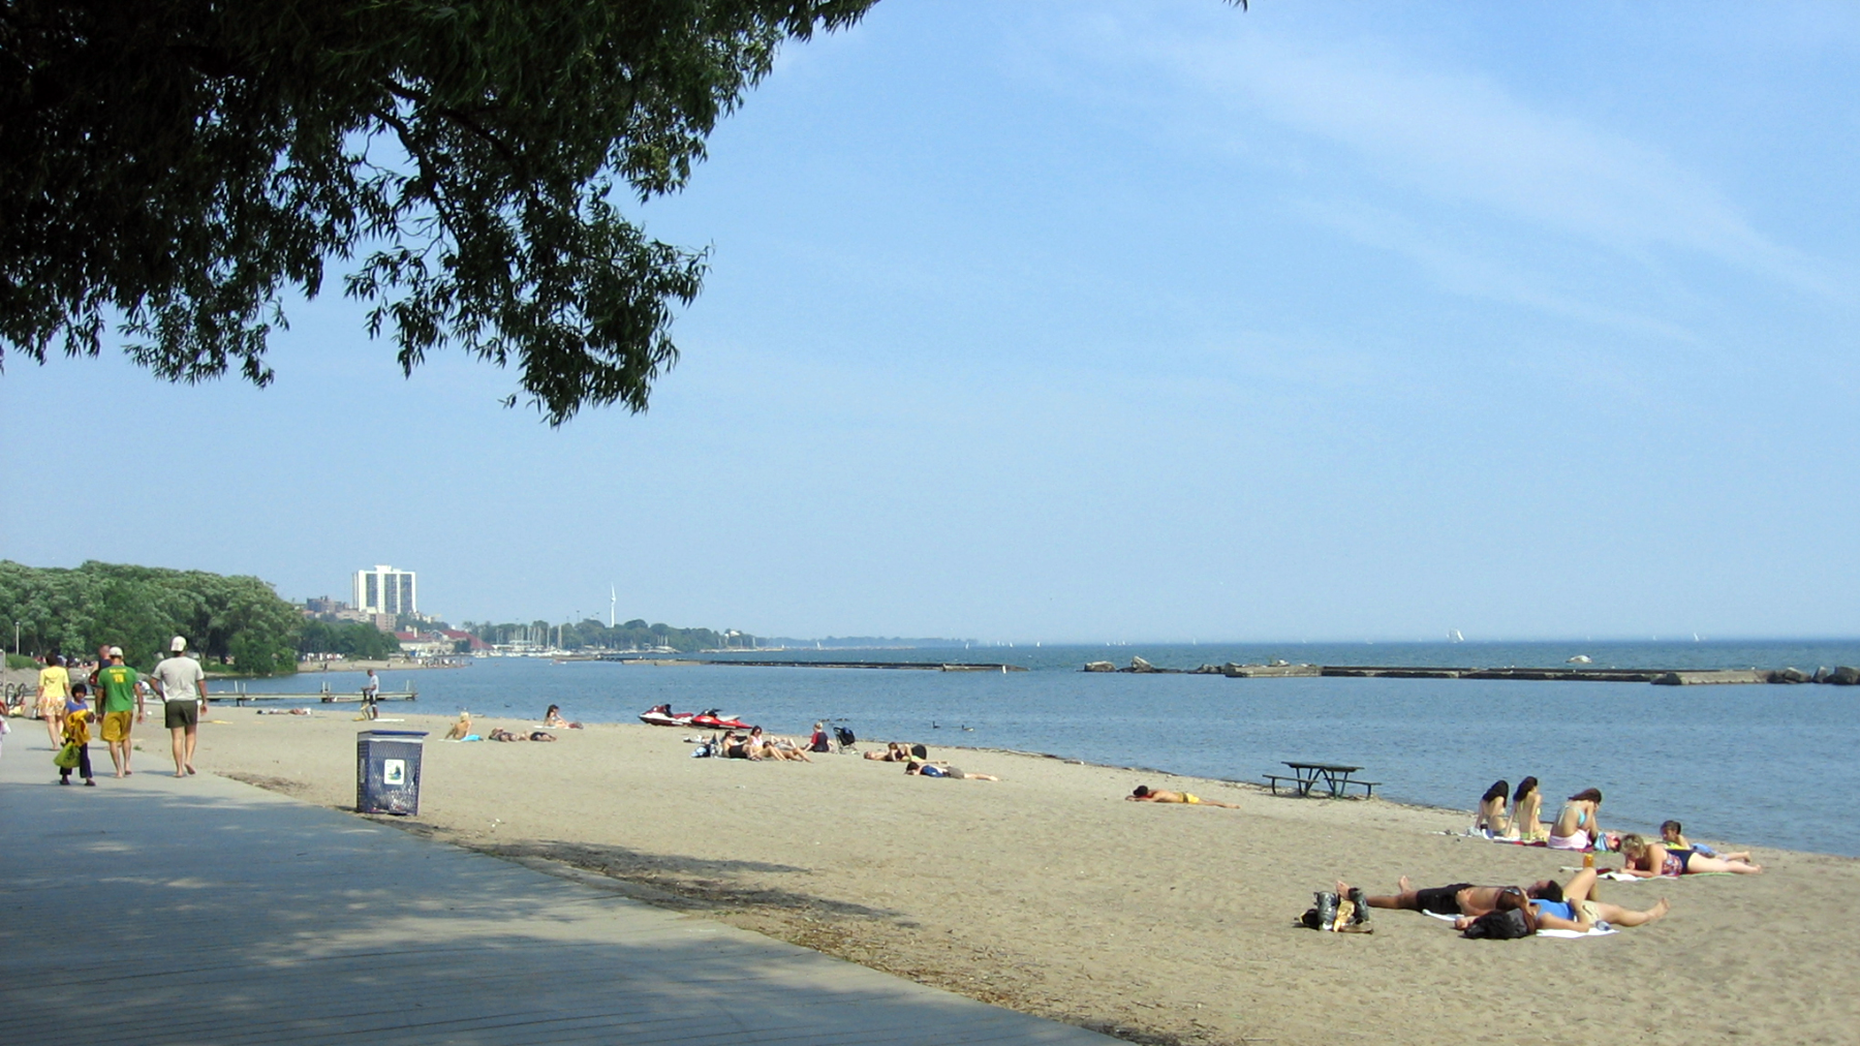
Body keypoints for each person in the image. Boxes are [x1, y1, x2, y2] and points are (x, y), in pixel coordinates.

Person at [1453, 869, 1671, 934]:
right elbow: (1583, 927)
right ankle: (1650, 915)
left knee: (1590, 873)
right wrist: (1579, 908)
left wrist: (1469, 919)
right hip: (1577, 911)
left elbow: (1489, 917)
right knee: (1616, 912)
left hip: (1564, 902)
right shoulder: (1545, 919)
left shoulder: (1526, 909)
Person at [1356, 875, 1563, 918]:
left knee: (1400, 903)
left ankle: (1358, 897)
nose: (1535, 881)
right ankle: (1409, 892)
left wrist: (1463, 903)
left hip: (1452, 901)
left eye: (1538, 884)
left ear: (1538, 894)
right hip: (1464, 889)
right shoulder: (1522, 897)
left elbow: (1487, 914)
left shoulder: (1518, 904)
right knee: (1413, 898)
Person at [149, 636, 208, 778]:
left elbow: (152, 681)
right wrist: (205, 701)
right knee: (191, 733)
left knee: (176, 737)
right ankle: (188, 760)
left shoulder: (164, 664)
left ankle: (179, 769)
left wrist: (161, 694)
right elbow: (201, 683)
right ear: (185, 649)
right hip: (189, 700)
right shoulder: (193, 664)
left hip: (172, 702)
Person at [94, 646, 144, 778]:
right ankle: (127, 764)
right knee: (126, 737)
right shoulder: (131, 672)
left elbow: (99, 694)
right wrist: (141, 710)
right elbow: (138, 692)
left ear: (110, 658)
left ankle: (119, 770)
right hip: (127, 708)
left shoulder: (104, 673)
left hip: (111, 709)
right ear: (122, 658)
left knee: (112, 741)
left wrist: (98, 711)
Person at [1618, 833, 1762, 876]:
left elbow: (1654, 873)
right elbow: (1634, 870)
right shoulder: (1633, 855)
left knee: (1722, 866)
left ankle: (1754, 869)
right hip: (1675, 861)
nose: (1628, 857)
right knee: (1718, 860)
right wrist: (1631, 867)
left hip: (1685, 860)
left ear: (1638, 849)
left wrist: (1631, 871)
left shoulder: (1652, 850)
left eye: (1630, 854)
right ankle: (1742, 856)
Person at [1660, 820, 1750, 863]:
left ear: (1674, 832)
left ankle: (1744, 854)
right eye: (1662, 833)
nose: (1664, 836)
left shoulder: (1679, 838)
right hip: (1695, 849)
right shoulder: (1668, 840)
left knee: (1722, 857)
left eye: (1666, 833)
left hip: (1700, 849)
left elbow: (1687, 851)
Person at [58, 684, 96, 786]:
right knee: (69, 755)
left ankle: (88, 777)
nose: (80, 695)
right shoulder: (70, 705)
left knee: (84, 756)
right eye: (78, 693)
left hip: (81, 734)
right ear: (74, 694)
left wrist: (91, 716)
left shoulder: (84, 705)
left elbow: (87, 718)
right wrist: (70, 731)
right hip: (71, 733)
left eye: (82, 693)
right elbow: (64, 717)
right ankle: (64, 777)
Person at [36, 652, 70, 749]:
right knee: (60, 720)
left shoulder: (44, 672)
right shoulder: (63, 671)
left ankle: (55, 744)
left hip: (48, 698)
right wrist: (69, 698)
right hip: (60, 697)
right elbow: (67, 686)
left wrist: (37, 700)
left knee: (50, 721)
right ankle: (61, 738)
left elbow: (40, 688)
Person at [1129, 785, 1238, 808]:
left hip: (1185, 798)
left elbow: (1151, 801)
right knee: (1207, 802)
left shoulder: (1157, 794)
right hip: (1180, 795)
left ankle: (1228, 805)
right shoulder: (1152, 791)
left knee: (1208, 803)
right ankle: (1226, 804)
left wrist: (1135, 800)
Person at [1511, 777, 1545, 842]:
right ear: (1534, 787)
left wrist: (1506, 833)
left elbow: (1511, 817)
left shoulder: (1518, 798)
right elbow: (1531, 816)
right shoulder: (1536, 797)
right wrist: (1530, 837)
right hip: (1535, 832)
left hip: (1523, 833)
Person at [904, 760, 998, 780]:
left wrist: (916, 773)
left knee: (971, 776)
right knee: (972, 775)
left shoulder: (925, 769)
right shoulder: (924, 767)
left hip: (949, 772)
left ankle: (989, 778)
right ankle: (989, 777)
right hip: (948, 769)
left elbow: (936, 774)